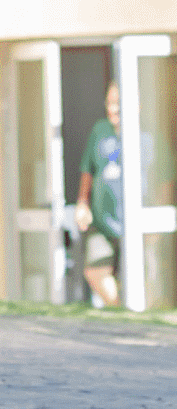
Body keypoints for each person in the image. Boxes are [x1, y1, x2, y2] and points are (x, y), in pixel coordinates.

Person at [76, 82, 124, 306]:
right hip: (102, 220)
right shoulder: (99, 130)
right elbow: (88, 170)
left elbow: (163, 181)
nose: (112, 109)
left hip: (133, 225)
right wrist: (82, 203)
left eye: (118, 104)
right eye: (109, 103)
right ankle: (120, 309)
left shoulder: (148, 132)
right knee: (95, 270)